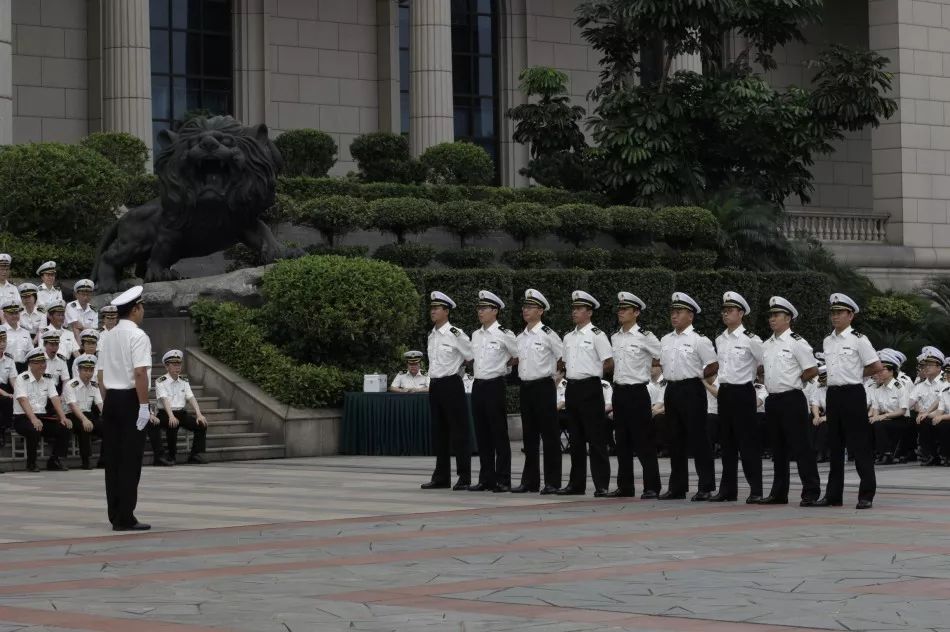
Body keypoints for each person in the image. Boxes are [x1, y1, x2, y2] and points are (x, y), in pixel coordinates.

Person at [97, 285, 153, 531]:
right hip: (130, 399)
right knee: (130, 459)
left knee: (113, 460)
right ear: (135, 309)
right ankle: (126, 517)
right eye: (141, 308)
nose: (142, 312)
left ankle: (114, 513)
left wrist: (108, 400)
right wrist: (143, 406)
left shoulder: (108, 335)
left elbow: (100, 375)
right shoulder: (138, 336)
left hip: (110, 399)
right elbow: (140, 373)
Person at [819, 293, 882, 510]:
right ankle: (833, 495)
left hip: (853, 393)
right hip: (833, 394)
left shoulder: (858, 339)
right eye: (833, 313)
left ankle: (866, 494)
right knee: (834, 445)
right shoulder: (828, 340)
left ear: (850, 315)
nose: (835, 317)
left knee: (860, 445)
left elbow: (876, 366)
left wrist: (855, 373)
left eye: (839, 313)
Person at [760, 296, 821, 506]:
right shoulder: (766, 344)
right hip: (773, 399)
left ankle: (811, 491)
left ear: (788, 318)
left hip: (792, 398)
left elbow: (812, 369)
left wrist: (795, 380)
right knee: (778, 449)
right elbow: (762, 369)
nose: (772, 319)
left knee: (801, 446)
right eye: (771, 316)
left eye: (776, 315)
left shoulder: (796, 342)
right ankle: (779, 492)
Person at [658, 292, 718, 501]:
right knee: (674, 439)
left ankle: (706, 486)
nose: (674, 316)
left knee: (699, 438)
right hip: (672, 389)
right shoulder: (665, 339)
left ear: (690, 315)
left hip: (692, 389)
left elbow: (713, 364)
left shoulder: (699, 339)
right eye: (673, 312)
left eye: (679, 312)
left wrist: (698, 376)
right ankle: (677, 487)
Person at [557, 290, 613, 497]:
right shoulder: (568, 337)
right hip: (572, 387)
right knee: (576, 438)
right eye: (573, 308)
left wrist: (593, 374)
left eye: (579, 309)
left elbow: (608, 362)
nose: (575, 312)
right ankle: (576, 484)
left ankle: (602, 484)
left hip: (590, 387)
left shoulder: (597, 335)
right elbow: (563, 362)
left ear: (589, 312)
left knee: (596, 438)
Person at [712, 291, 764, 503]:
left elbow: (765, 365)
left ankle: (756, 489)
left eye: (730, 310)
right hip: (725, 392)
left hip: (743, 391)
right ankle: (728, 490)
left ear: (741, 313)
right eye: (724, 310)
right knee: (727, 443)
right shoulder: (720, 338)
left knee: (747, 443)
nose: (726, 314)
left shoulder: (751, 339)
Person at [608, 291, 661, 499]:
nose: (620, 312)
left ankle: (652, 486)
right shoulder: (615, 336)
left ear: (636, 312)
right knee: (621, 441)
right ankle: (625, 486)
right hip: (619, 391)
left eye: (625, 309)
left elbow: (662, 355)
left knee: (644, 442)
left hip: (638, 391)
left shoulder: (645, 336)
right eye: (619, 309)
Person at [421, 291, 473, 491]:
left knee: (459, 432)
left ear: (446, 311)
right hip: (435, 384)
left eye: (436, 308)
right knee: (439, 432)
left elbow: (470, 357)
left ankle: (464, 476)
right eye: (432, 308)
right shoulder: (431, 334)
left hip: (452, 384)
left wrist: (459, 371)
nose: (432, 312)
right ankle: (441, 476)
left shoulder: (456, 334)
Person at [514, 288, 563, 495]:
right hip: (526, 387)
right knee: (529, 437)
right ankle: (530, 481)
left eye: (531, 307)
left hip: (543, 386)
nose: (526, 310)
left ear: (541, 311)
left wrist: (557, 377)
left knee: (550, 436)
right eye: (525, 306)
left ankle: (552, 482)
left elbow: (563, 357)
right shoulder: (520, 336)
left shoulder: (548, 334)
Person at [469, 290, 518, 493]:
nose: (480, 312)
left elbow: (517, 356)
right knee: (482, 434)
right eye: (479, 308)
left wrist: (504, 368)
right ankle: (486, 478)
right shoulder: (475, 334)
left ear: (495, 310)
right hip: (478, 384)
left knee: (499, 433)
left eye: (484, 308)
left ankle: (503, 479)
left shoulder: (505, 333)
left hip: (495, 384)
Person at [12, 346, 71, 472]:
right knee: (34, 429)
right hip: (23, 418)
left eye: (43, 362)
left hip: (41, 416)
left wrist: (63, 417)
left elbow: (55, 398)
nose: (42, 365)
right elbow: (23, 400)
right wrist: (33, 419)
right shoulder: (22, 378)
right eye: (37, 362)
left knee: (64, 427)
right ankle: (31, 463)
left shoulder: (48, 379)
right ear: (30, 364)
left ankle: (55, 460)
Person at [149, 349, 209, 466]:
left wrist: (199, 414)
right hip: (165, 413)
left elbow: (191, 397)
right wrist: (171, 416)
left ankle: (195, 455)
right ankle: (171, 456)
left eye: (179, 364)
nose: (178, 367)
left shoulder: (184, 380)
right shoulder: (160, 381)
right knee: (173, 423)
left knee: (202, 424)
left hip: (181, 413)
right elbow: (164, 399)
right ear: (167, 367)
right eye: (174, 365)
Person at [63, 354, 104, 470]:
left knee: (107, 428)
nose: (88, 373)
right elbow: (73, 406)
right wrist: (85, 420)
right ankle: (86, 460)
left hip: (87, 414)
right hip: (72, 415)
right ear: (79, 370)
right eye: (85, 370)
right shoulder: (70, 385)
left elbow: (100, 404)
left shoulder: (94, 385)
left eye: (91, 370)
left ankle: (104, 460)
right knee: (85, 427)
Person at [868, 350, 910, 465]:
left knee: (879, 424)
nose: (879, 373)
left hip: (900, 419)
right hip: (885, 418)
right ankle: (873, 453)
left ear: (891, 371)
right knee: (870, 423)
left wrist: (882, 416)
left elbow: (902, 410)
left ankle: (887, 454)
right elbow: (875, 409)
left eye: (883, 370)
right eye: (878, 370)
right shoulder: (878, 389)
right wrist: (875, 417)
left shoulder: (900, 387)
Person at [912, 347, 946, 466]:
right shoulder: (922, 382)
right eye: (925, 365)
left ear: (939, 367)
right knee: (922, 421)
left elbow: (940, 400)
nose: (926, 367)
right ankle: (930, 455)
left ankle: (943, 454)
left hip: (943, 413)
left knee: (936, 423)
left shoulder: (945, 380)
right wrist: (921, 411)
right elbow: (911, 400)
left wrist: (926, 413)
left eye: (930, 365)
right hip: (928, 414)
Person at [2, 299, 33, 372]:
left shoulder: (25, 332)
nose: (14, 316)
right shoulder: (1, 331)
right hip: (5, 368)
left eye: (16, 313)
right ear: (4, 315)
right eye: (11, 314)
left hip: (23, 368)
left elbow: (30, 352)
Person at [0, 330, 17, 451]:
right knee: (6, 400)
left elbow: (13, 379)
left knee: (16, 398)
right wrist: (6, 394)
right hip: (2, 392)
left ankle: (4, 427)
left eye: (4, 340)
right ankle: (3, 429)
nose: (2, 344)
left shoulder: (9, 358)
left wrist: (18, 393)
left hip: (5, 387)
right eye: (0, 341)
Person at [809, 366, 830, 463]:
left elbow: (841, 407)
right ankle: (812, 451)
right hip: (824, 413)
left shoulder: (838, 388)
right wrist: (816, 416)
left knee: (825, 425)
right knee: (812, 420)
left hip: (839, 415)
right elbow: (815, 402)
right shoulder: (821, 386)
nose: (823, 383)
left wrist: (827, 417)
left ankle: (821, 452)